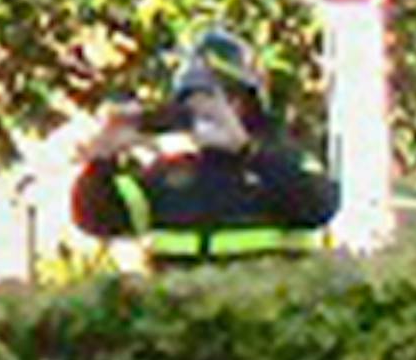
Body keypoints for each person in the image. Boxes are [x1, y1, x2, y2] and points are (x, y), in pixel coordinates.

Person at [71, 27, 340, 270]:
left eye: (221, 98)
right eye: (193, 101)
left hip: (267, 318)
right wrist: (103, 161)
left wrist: (245, 150)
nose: (206, 113)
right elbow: (98, 218)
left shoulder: (280, 162)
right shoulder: (170, 175)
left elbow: (319, 204)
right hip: (183, 320)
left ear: (248, 104)